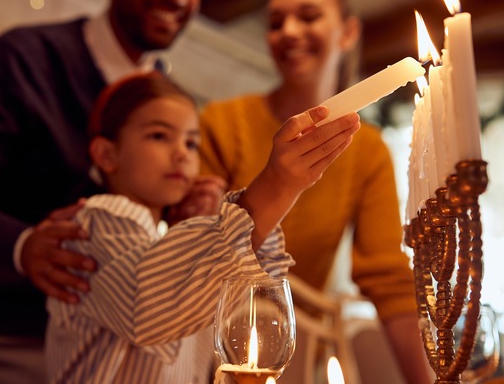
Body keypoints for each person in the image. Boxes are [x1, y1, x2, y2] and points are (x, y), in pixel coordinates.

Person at [0, 0, 210, 382]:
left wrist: (181, 214)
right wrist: (24, 247)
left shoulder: (167, 99)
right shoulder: (23, 59)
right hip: (0, 340)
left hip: (110, 356)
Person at [197, 0, 434, 383]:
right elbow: (197, 249)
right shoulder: (222, 123)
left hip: (294, 352)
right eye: (275, 22)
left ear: (347, 33)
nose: (288, 31)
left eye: (308, 16)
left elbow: (387, 279)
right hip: (210, 345)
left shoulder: (367, 150)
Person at [45, 71, 361, 383]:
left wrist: (204, 225)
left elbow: (252, 283)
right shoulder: (95, 221)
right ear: (106, 154)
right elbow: (148, 308)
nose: (182, 153)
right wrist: (276, 186)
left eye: (191, 143)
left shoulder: (169, 238)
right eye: (159, 136)